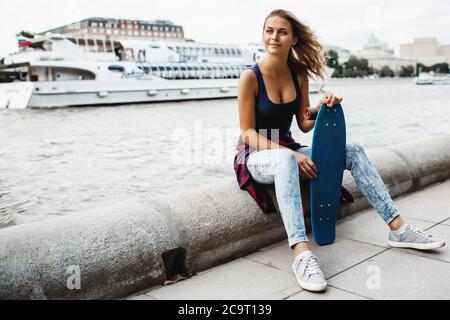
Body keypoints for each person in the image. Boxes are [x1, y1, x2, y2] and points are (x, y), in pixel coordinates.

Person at [233, 9, 445, 293]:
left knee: (352, 150)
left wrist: (321, 107)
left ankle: (399, 228)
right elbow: (247, 132)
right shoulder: (250, 77)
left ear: (294, 39)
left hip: (288, 148)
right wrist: (292, 155)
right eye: (269, 30)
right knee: (285, 158)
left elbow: (305, 124)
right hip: (256, 154)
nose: (274, 37)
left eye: (282, 32)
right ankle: (301, 252)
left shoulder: (298, 74)